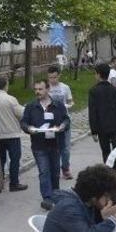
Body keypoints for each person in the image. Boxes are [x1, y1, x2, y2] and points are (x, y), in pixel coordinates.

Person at [21, 78, 69, 211]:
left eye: (40, 89)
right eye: (36, 89)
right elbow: (24, 122)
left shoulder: (58, 105)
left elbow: (66, 120)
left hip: (55, 143)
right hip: (39, 144)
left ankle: (56, 194)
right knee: (44, 171)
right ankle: (47, 198)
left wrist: (62, 126)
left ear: (47, 89)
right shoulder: (31, 106)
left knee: (55, 171)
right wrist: (28, 128)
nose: (37, 92)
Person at [0, 77, 28, 192]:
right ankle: (14, 183)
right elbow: (20, 114)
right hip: (12, 134)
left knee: (0, 160)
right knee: (14, 159)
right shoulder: (11, 99)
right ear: (6, 85)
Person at [87, 63, 116, 164]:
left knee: (105, 151)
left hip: (102, 127)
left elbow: (93, 112)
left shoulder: (93, 91)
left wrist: (94, 131)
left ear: (98, 75)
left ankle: (108, 170)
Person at [47, 65, 74, 180]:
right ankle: (54, 169)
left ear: (59, 76)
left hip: (64, 120)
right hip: (50, 121)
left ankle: (66, 168)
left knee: (65, 148)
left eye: (55, 77)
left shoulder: (65, 87)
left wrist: (68, 105)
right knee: (53, 147)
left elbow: (70, 101)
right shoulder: (45, 88)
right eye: (50, 78)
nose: (53, 80)